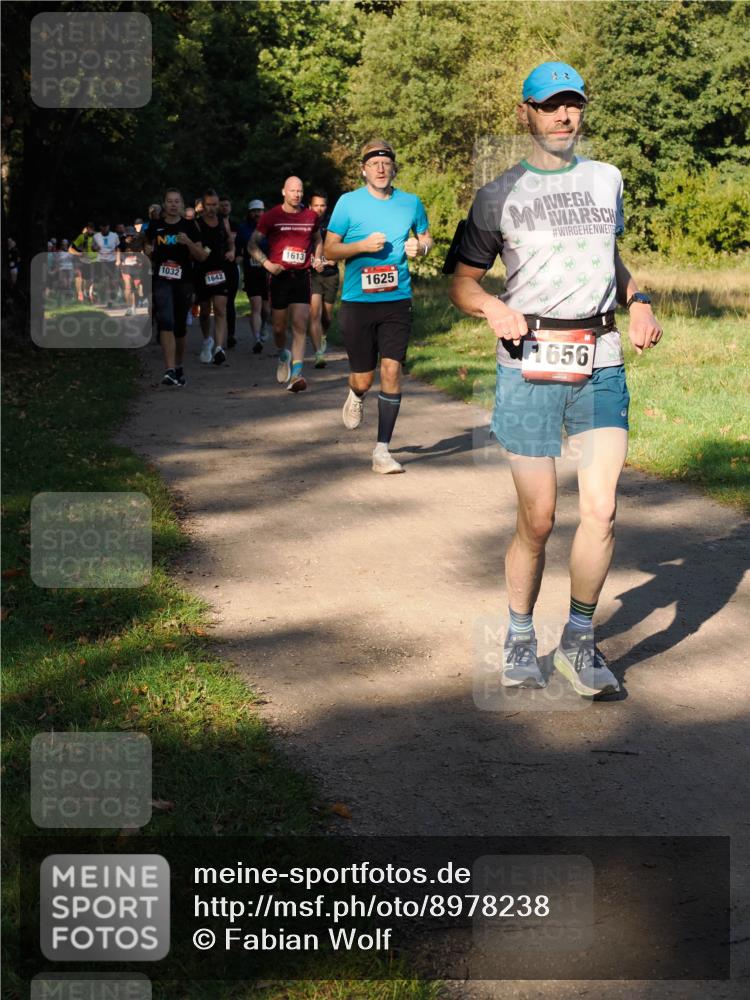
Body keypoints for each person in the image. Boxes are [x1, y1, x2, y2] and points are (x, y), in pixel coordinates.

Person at [448, 61, 663, 696]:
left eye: (572, 104)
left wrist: (639, 299)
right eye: (549, 106)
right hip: (528, 362)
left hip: (600, 358)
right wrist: (492, 308)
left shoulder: (606, 180)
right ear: (526, 114)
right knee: (539, 519)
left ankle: (578, 640)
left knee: (602, 509)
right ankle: (519, 634)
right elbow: (462, 283)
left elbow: (608, 256)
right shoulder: (497, 195)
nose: (564, 116)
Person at [324, 139, 432, 474]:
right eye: (374, 164)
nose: (381, 169)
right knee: (363, 378)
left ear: (393, 168)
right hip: (358, 302)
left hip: (397, 300)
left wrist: (421, 248)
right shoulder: (348, 203)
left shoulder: (411, 203)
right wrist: (360, 246)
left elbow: (426, 237)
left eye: (386, 163)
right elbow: (329, 250)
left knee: (392, 369)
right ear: (364, 170)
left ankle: (382, 449)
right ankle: (356, 396)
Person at [249, 177, 322, 392]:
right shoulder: (271, 216)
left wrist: (318, 258)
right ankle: (283, 354)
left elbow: (318, 239)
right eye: (293, 191)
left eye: (300, 191)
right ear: (284, 192)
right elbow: (252, 244)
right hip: (279, 277)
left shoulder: (311, 216)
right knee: (279, 328)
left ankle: (297, 375)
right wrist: (267, 264)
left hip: (301, 276)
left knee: (299, 324)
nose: (297, 195)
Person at [143, 187, 205, 386]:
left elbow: (201, 256)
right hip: (162, 279)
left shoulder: (189, 226)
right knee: (166, 320)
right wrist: (147, 251)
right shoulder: (155, 226)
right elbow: (146, 247)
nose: (173, 205)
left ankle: (178, 365)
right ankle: (169, 370)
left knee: (179, 326)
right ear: (164, 204)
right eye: (169, 201)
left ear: (182, 204)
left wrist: (188, 243)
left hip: (184, 281)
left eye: (176, 201)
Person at [195, 188, 235, 365]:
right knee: (204, 311)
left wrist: (232, 251)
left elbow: (230, 240)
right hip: (202, 270)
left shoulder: (223, 221)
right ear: (203, 206)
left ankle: (219, 348)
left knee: (220, 309)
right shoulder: (197, 224)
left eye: (215, 204)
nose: (212, 208)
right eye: (209, 205)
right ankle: (207, 341)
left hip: (220, 269)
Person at [308, 191, 339, 369]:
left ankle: (324, 335)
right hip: (312, 275)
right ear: (310, 206)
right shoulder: (305, 222)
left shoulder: (333, 224)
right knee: (314, 314)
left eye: (323, 205)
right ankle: (318, 353)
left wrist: (332, 259)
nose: (319, 209)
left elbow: (341, 247)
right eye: (316, 205)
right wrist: (312, 262)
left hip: (331, 274)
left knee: (326, 317)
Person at [237, 199, 270, 354]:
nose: (257, 214)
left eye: (259, 211)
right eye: (254, 211)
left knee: (266, 309)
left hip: (268, 272)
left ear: (264, 212)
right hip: (251, 272)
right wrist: (238, 257)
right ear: (249, 213)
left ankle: (263, 326)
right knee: (256, 306)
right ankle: (256, 339)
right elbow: (238, 246)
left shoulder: (270, 227)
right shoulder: (243, 228)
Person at [219, 195, 240, 348]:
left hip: (232, 267)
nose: (224, 207)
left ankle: (231, 335)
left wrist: (239, 255)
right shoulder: (214, 223)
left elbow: (242, 242)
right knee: (220, 302)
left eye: (227, 205)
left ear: (230, 207)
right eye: (222, 205)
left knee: (230, 302)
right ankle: (217, 337)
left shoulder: (236, 224)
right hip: (218, 266)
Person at [92, 222, 119, 308]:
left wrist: (118, 259)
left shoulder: (114, 235)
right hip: (100, 261)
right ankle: (96, 293)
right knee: (99, 280)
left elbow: (118, 248)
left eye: (106, 226)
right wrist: (96, 248)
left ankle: (111, 299)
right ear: (100, 227)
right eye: (103, 226)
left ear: (108, 226)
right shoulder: (96, 236)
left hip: (111, 261)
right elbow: (93, 247)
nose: (105, 228)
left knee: (111, 281)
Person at [68, 222, 97, 302]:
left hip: (90, 262)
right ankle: (80, 294)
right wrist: (79, 253)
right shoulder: (80, 238)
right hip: (79, 261)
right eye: (86, 230)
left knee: (89, 279)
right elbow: (70, 250)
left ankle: (87, 293)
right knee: (78, 277)